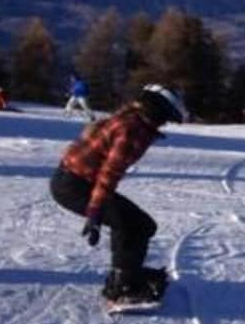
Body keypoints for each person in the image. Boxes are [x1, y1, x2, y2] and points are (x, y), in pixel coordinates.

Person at [49, 83, 186, 303]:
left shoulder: (130, 117)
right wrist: (94, 212)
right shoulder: (134, 131)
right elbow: (109, 173)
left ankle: (124, 274)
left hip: (70, 180)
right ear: (156, 111)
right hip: (75, 186)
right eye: (166, 118)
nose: (164, 123)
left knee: (133, 223)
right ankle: (123, 287)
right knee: (137, 225)